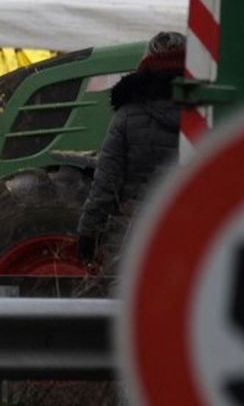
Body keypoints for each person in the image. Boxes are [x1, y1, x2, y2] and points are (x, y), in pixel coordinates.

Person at [76, 31, 185, 271]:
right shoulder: (204, 116)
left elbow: (106, 184)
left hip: (133, 235)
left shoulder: (127, 116)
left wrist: (88, 232)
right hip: (186, 233)